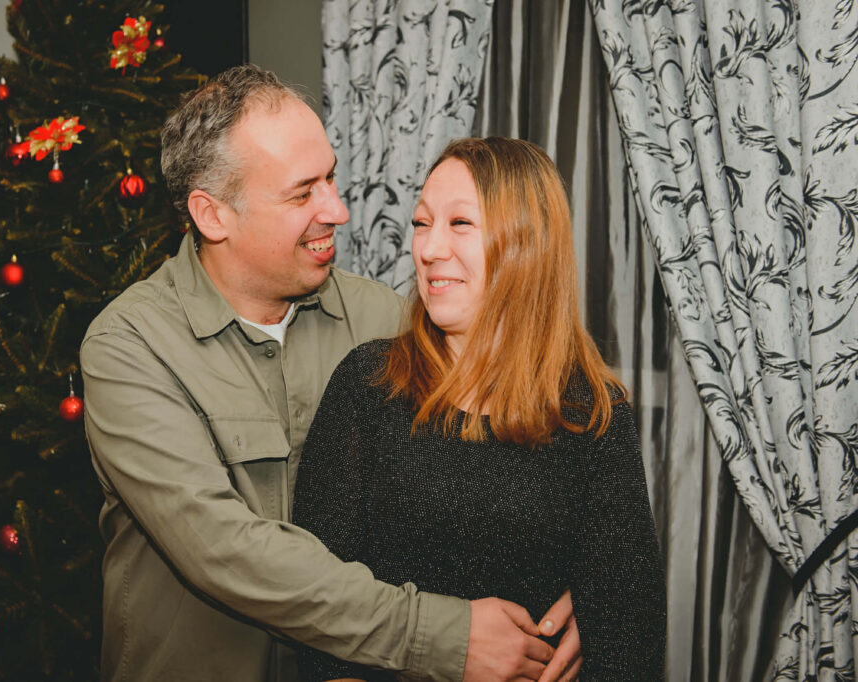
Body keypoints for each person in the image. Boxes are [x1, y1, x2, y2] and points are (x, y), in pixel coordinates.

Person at [81, 66, 584, 682]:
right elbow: (221, 548)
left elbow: (510, 460)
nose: (338, 210)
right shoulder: (129, 346)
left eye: (331, 178)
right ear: (212, 216)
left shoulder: (387, 321)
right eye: (302, 194)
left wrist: (578, 592)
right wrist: (443, 636)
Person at [292, 137, 666, 681]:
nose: (429, 248)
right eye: (422, 223)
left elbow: (629, 643)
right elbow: (316, 605)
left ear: (528, 243)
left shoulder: (591, 415)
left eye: (460, 223)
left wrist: (595, 612)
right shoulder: (368, 384)